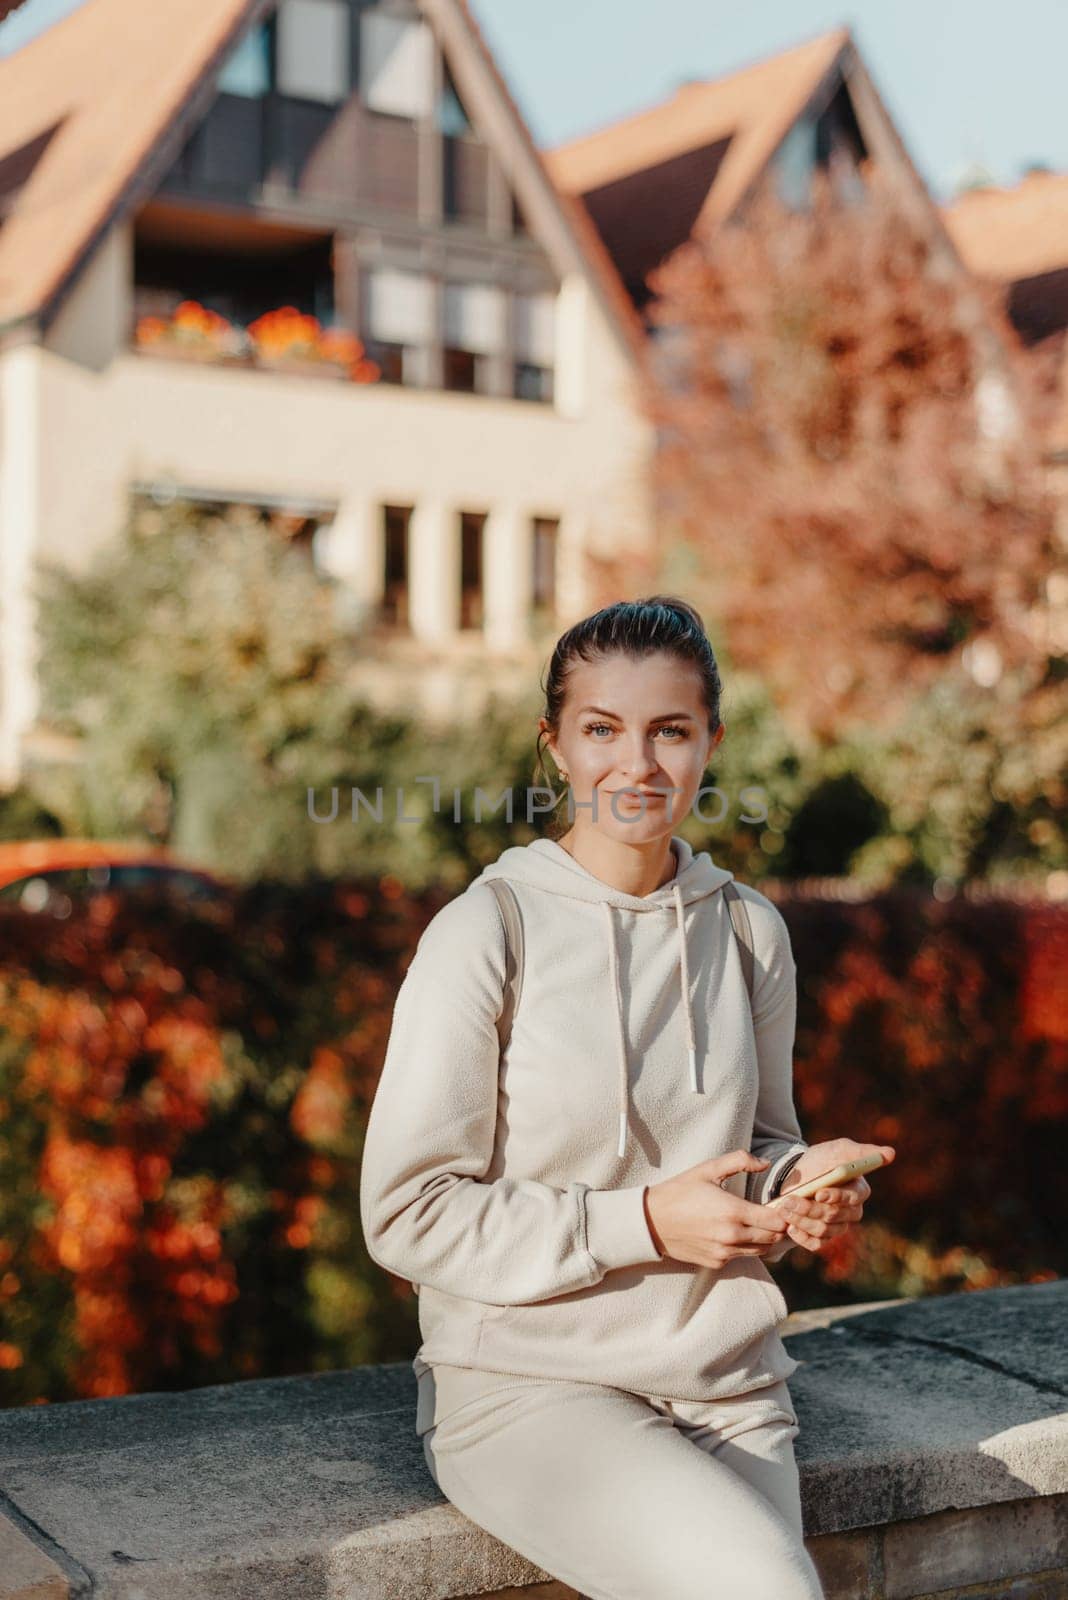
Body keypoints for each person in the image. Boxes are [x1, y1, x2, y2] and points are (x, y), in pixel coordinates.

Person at [359, 596, 895, 1600]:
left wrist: (803, 1186)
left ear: (710, 745)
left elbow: (759, 1145)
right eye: (602, 728)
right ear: (555, 744)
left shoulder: (747, 931)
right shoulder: (488, 933)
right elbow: (404, 1212)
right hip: (530, 1384)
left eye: (670, 731)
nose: (636, 765)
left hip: (729, 1383)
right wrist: (645, 1222)